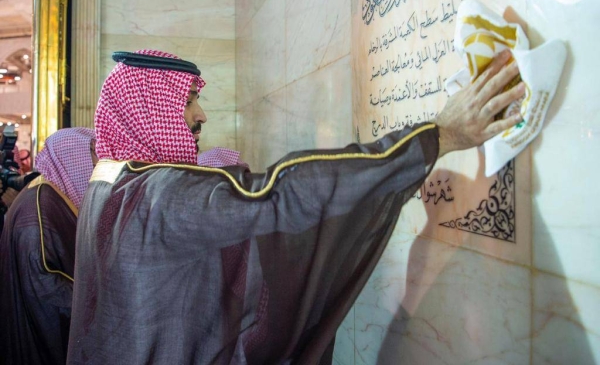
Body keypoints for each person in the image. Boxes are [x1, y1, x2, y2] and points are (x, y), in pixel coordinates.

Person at [68, 48, 524, 364]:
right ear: (146, 108)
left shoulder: (109, 183)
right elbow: (279, 197)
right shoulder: (160, 194)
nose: (200, 115)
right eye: (189, 100)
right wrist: (437, 137)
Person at [0, 128, 97, 365]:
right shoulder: (40, 210)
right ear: (72, 158)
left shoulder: (51, 197)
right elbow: (48, 291)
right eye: (95, 154)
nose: (100, 164)